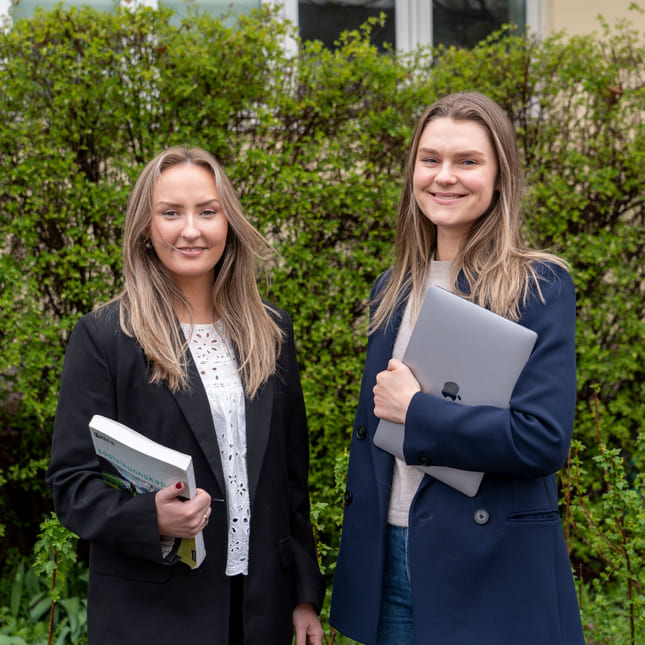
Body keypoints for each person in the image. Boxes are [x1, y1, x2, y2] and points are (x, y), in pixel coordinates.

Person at [329, 92, 585, 644]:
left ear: (499, 175)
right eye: (430, 160)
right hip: (389, 563)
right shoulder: (392, 288)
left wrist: (417, 413)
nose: (445, 177)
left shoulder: (537, 286)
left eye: (467, 161)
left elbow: (542, 440)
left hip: (490, 567)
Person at [47, 147, 325, 645]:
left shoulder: (271, 330)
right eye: (171, 212)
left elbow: (291, 482)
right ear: (145, 229)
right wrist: (149, 518)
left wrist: (304, 594)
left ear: (228, 222)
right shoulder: (106, 336)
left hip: (260, 609)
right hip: (153, 615)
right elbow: (72, 485)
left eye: (207, 211)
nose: (191, 230)